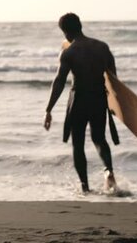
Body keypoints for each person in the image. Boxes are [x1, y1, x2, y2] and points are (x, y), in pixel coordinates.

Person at [44, 13, 119, 193]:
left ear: (65, 32)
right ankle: (108, 170)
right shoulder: (102, 47)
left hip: (79, 99)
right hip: (99, 98)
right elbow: (114, 79)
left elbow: (60, 81)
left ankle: (85, 187)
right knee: (99, 139)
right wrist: (116, 105)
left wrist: (48, 109)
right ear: (80, 25)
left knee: (78, 144)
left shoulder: (69, 52)